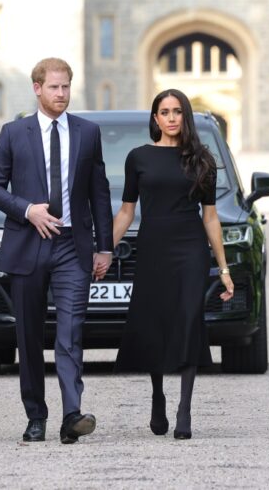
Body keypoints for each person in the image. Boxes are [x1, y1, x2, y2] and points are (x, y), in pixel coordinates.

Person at [0, 58, 114, 444]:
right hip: (29, 244)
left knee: (70, 332)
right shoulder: (13, 133)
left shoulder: (88, 133)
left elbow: (99, 193)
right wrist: (27, 210)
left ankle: (72, 414)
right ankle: (35, 415)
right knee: (29, 334)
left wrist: (104, 246)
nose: (61, 94)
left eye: (66, 87)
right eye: (54, 87)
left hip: (73, 246)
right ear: (37, 88)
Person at [113, 89, 234, 439]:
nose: (170, 117)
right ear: (155, 118)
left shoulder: (202, 160)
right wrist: (103, 250)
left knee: (188, 319)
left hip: (190, 250)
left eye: (177, 111)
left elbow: (210, 218)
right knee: (156, 322)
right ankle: (157, 395)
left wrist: (224, 269)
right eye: (164, 111)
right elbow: (126, 211)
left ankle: (185, 409)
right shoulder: (138, 158)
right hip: (153, 247)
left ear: (185, 117)